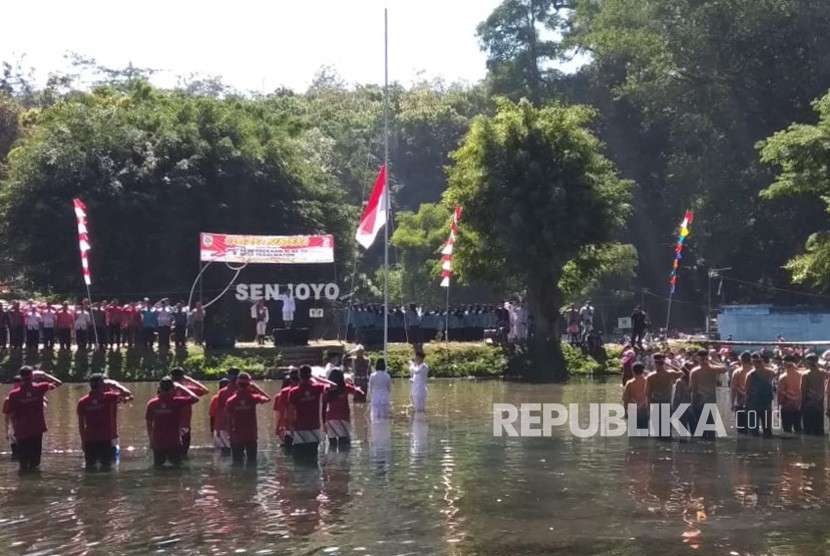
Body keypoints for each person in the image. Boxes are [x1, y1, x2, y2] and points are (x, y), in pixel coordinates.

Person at [2, 366, 62, 472]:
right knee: (35, 463)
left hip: (22, 431)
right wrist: (44, 375)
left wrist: (11, 431)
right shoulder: (40, 388)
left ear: (21, 377)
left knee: (23, 464)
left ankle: (23, 485)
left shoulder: (14, 394)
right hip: (36, 430)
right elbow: (58, 383)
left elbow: (10, 414)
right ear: (32, 376)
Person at [76, 374, 133, 471]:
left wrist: (83, 441)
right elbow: (127, 394)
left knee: (90, 468)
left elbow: (81, 425)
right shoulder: (109, 397)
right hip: (106, 439)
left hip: (89, 440)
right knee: (106, 468)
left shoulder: (82, 402)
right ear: (102, 384)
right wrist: (113, 384)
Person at [145, 377, 200, 468]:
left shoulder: (152, 403)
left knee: (158, 469)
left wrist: (151, 440)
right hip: (174, 442)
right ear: (173, 389)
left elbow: (149, 424)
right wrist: (181, 387)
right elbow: (195, 398)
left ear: (159, 388)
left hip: (158, 442)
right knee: (177, 469)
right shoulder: (177, 401)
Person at [225, 372, 270, 466]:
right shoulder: (253, 397)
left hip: (236, 435)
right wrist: (256, 388)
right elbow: (267, 398)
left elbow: (228, 420)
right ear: (249, 384)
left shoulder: (231, 401)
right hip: (251, 435)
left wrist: (229, 434)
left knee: (237, 463)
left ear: (237, 383)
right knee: (252, 462)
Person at [169, 367, 209, 457]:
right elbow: (205, 390)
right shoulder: (188, 390)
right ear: (183, 377)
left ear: (171, 377)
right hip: (185, 424)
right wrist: (191, 380)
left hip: (170, 424)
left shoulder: (167, 390)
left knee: (171, 451)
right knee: (184, 451)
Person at [689, 349, 728, 439]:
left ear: (698, 358)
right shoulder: (713, 369)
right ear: (707, 357)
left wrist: (693, 403)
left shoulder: (694, 371)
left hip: (699, 401)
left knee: (700, 429)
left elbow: (693, 389)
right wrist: (712, 361)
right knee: (710, 428)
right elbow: (725, 368)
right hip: (710, 401)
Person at [288, 364, 327, 453]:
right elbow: (333, 385)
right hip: (314, 426)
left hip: (299, 427)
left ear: (299, 376)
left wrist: (291, 426)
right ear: (310, 375)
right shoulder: (318, 387)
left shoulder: (293, 391)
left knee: (300, 456)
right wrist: (316, 378)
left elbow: (290, 411)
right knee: (313, 455)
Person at [323, 368, 364, 449]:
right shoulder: (346, 387)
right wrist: (353, 385)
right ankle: (344, 461)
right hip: (343, 418)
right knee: (344, 445)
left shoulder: (326, 388)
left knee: (332, 445)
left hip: (330, 418)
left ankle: (333, 460)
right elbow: (361, 394)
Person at [645, 353, 683, 437]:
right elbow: (682, 372)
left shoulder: (650, 376)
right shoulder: (670, 373)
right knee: (667, 429)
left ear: (655, 364)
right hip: (666, 402)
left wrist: (648, 407)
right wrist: (670, 365)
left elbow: (647, 394)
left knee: (656, 429)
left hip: (655, 403)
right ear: (663, 364)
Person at [745, 352, 776, 437]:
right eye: (755, 362)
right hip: (755, 404)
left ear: (763, 361)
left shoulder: (770, 372)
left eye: (759, 361)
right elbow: (747, 391)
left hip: (765, 404)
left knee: (766, 430)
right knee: (755, 430)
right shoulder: (751, 375)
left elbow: (747, 391)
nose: (756, 364)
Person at [801, 353, 827, 435]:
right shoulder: (823, 372)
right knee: (819, 427)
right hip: (820, 402)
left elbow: (803, 390)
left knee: (808, 428)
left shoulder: (806, 374)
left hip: (809, 403)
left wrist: (802, 404)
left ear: (808, 362)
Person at [274, 369, 300, 447]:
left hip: (288, 426)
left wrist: (278, 427)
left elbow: (279, 413)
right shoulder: (303, 389)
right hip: (303, 427)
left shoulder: (281, 394)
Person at [778, 355, 803, 433]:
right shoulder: (801, 375)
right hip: (798, 406)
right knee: (798, 428)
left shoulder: (783, 377)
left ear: (785, 364)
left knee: (787, 429)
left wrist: (778, 407)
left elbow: (780, 393)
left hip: (787, 406)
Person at [730, 352, 752, 435]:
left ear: (741, 360)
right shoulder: (754, 371)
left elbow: (733, 388)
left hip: (740, 403)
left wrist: (732, 403)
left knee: (741, 430)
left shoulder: (737, 372)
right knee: (753, 429)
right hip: (752, 403)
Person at [622, 362, 649, 430]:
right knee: (644, 432)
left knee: (633, 434)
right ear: (643, 371)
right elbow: (649, 397)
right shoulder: (647, 381)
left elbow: (626, 398)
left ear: (633, 371)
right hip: (644, 409)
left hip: (632, 409)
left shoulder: (630, 383)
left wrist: (625, 412)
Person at [3, 376, 21, 460]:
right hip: (16, 428)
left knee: (16, 455)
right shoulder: (8, 399)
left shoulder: (9, 398)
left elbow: (6, 418)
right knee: (17, 453)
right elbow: (6, 418)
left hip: (16, 428)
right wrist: (7, 432)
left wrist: (7, 432)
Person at [209, 377, 230, 446]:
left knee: (221, 451)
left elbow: (212, 416)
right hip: (231, 429)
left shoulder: (215, 398)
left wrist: (212, 430)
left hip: (219, 429)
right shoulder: (234, 396)